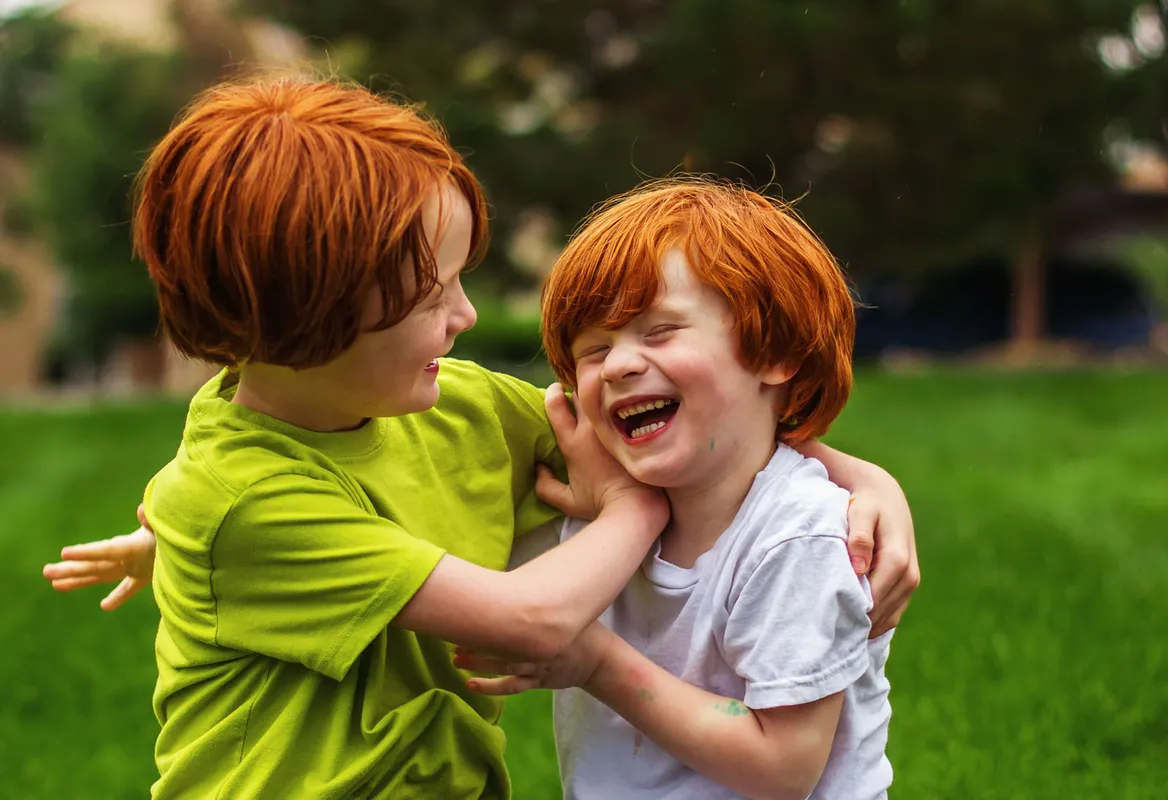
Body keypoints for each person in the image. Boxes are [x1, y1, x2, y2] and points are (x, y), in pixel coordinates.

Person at [43, 75, 919, 799]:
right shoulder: (242, 502)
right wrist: (628, 510)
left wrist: (865, 483)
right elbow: (535, 619)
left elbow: (689, 429)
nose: (464, 317)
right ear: (314, 318)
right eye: (432, 298)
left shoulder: (451, 403)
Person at [456, 178, 896, 799]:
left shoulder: (796, 533)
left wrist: (595, 663)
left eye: (659, 332)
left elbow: (784, 767)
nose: (618, 365)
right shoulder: (600, 519)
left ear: (774, 352)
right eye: (594, 349)